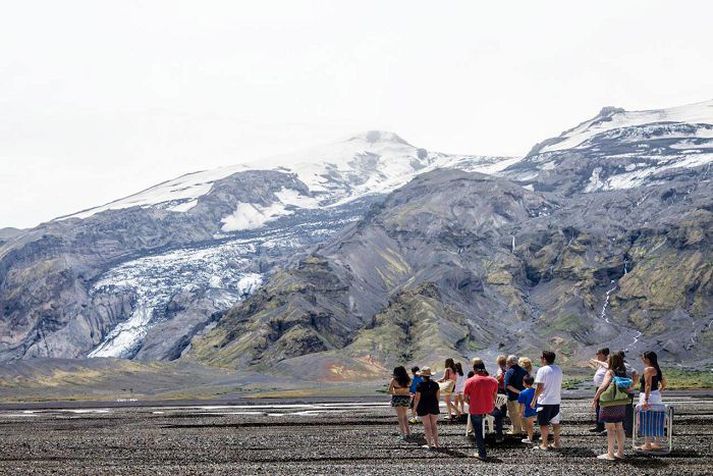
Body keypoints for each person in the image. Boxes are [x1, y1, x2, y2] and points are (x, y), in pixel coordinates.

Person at [592, 352, 632, 460]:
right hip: (620, 403)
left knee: (610, 429)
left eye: (608, 359)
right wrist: (597, 361)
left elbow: (602, 386)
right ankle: (620, 452)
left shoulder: (610, 372)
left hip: (609, 404)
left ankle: (610, 454)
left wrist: (595, 398)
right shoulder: (622, 372)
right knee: (619, 427)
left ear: (611, 361)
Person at [463, 361, 501, 460]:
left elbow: (465, 398)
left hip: (475, 409)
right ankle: (499, 435)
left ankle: (482, 454)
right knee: (499, 414)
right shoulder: (493, 381)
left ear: (474, 369)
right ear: (484, 368)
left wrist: (471, 403)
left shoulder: (469, 381)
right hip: (489, 408)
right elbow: (494, 396)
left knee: (478, 432)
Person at [531, 350, 563, 451]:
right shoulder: (558, 369)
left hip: (544, 401)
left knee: (543, 424)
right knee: (555, 423)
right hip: (556, 400)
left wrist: (534, 399)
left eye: (541, 357)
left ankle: (544, 444)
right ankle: (556, 443)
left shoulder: (542, 370)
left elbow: (540, 387)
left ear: (544, 359)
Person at [638, 351, 667, 451]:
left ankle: (647, 444)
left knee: (646, 418)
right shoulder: (656, 368)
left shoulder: (648, 369)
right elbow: (664, 383)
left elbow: (647, 385)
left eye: (644, 358)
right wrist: (659, 391)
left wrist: (646, 399)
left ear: (648, 359)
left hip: (648, 395)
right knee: (656, 418)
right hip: (656, 395)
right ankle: (657, 443)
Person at [413, 367, 440, 449]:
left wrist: (414, 408)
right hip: (433, 406)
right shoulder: (435, 384)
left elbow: (417, 398)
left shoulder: (419, 385)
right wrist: (436, 404)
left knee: (427, 426)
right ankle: (436, 444)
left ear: (422, 376)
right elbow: (438, 397)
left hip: (423, 406)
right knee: (434, 425)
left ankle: (429, 445)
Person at [504, 354, 527, 435]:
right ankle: (525, 429)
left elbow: (508, 386)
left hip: (513, 397)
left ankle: (516, 430)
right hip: (523, 397)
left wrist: (518, 392)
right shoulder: (524, 371)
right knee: (522, 414)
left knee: (513, 414)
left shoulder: (509, 372)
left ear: (509, 362)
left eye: (507, 362)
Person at [588, 347, 610, 434]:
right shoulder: (602, 364)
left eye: (598, 354)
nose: (597, 355)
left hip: (605, 388)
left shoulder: (608, 361)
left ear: (604, 354)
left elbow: (608, 366)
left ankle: (606, 426)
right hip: (599, 387)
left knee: (604, 407)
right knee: (598, 407)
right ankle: (599, 426)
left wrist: (596, 361)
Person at [617, 351, 639, 437]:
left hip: (623, 392)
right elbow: (636, 373)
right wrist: (633, 385)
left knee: (625, 411)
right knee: (627, 410)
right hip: (629, 392)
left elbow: (636, 374)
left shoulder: (621, 366)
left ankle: (627, 430)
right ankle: (628, 429)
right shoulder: (628, 365)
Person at [388, 366, 412, 440]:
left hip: (397, 399)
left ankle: (403, 434)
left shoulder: (394, 380)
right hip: (406, 398)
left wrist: (396, 393)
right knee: (405, 416)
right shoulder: (408, 380)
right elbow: (409, 389)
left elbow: (390, 391)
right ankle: (408, 433)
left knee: (400, 417)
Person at [518, 375, 537, 444]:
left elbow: (522, 404)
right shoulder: (535, 391)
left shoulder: (522, 393)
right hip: (536, 410)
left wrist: (520, 413)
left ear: (524, 383)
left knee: (529, 426)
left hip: (528, 411)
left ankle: (530, 438)